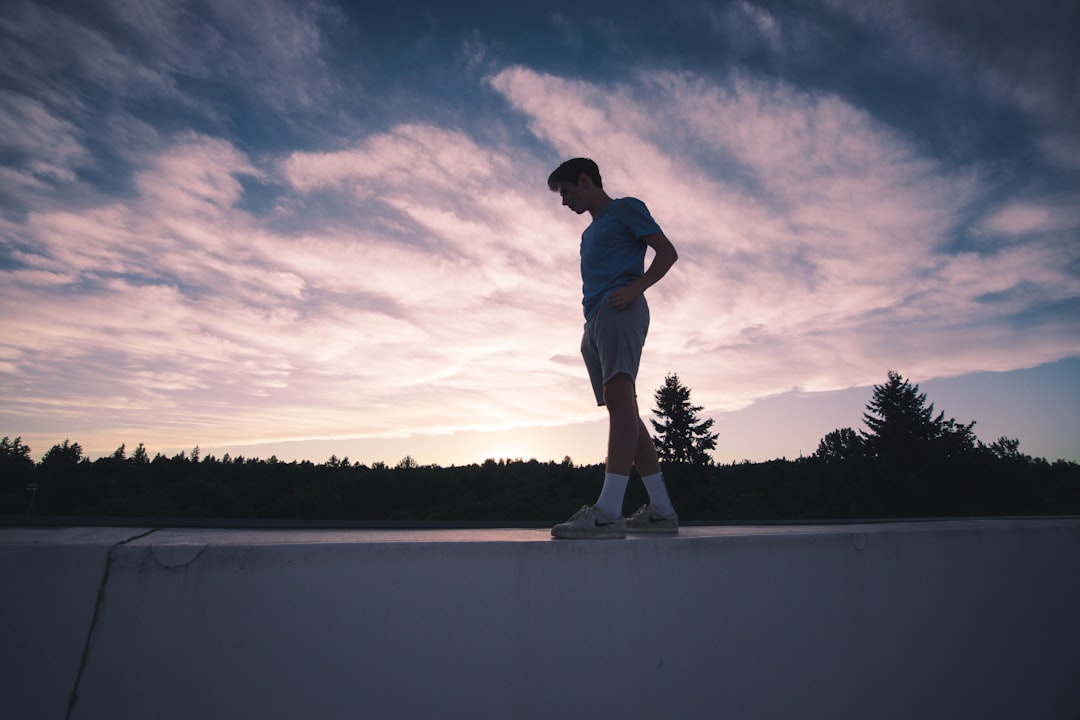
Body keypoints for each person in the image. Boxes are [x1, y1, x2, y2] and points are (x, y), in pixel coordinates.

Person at [547, 158, 680, 539]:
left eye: (567, 191)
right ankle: (661, 509)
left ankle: (607, 513)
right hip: (595, 322)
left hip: (621, 309)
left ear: (586, 180)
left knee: (621, 403)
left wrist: (635, 288)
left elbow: (667, 253)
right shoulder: (588, 235)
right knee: (625, 410)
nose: (564, 201)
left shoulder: (626, 209)